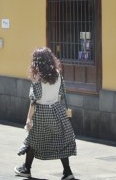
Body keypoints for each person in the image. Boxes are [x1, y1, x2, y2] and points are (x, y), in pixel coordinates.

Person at [14, 47, 77, 180]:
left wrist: (28, 119)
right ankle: (67, 172)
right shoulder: (58, 74)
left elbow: (34, 101)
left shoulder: (37, 78)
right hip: (57, 110)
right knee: (61, 140)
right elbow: (60, 96)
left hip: (41, 112)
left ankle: (26, 169)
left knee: (33, 140)